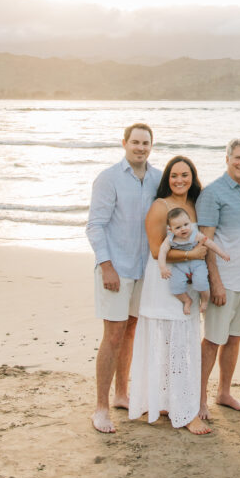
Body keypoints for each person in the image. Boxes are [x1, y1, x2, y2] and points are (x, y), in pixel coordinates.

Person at [87, 122, 160, 434]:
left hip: (145, 271)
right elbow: (95, 225)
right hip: (115, 270)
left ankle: (121, 395)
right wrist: (106, 266)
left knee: (131, 333)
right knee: (113, 335)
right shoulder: (109, 178)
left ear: (151, 146)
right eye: (135, 142)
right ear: (124, 143)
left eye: (145, 143)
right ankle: (101, 408)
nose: (140, 148)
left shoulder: (158, 178)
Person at [128, 156, 211, 435]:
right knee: (167, 343)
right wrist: (191, 255)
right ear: (167, 178)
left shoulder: (193, 205)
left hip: (187, 282)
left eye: (185, 175)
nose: (180, 180)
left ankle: (177, 404)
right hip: (164, 282)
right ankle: (180, 411)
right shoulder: (159, 206)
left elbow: (199, 240)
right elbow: (155, 251)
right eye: (174, 175)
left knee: (183, 345)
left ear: (193, 177)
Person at [197, 138, 240, 419]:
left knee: (234, 340)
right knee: (212, 340)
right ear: (227, 158)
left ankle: (223, 392)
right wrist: (215, 282)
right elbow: (206, 243)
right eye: (238, 158)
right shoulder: (213, 193)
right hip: (225, 281)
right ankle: (199, 399)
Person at [158, 207, 229, 315]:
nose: (183, 229)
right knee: (175, 287)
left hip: (197, 264)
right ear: (170, 229)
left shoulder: (196, 235)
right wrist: (163, 267)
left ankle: (204, 300)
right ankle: (187, 300)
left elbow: (210, 244)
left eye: (186, 224)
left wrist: (221, 253)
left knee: (201, 283)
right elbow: (162, 252)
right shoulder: (170, 239)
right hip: (180, 266)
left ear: (190, 222)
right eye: (178, 227)